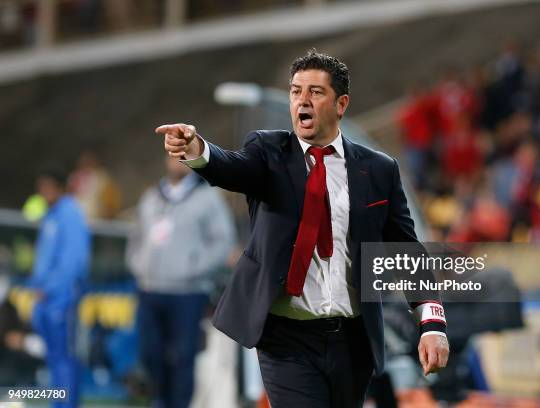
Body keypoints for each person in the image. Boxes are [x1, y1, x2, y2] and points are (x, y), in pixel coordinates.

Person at [155, 50, 449, 407]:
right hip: (286, 339)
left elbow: (406, 250)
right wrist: (196, 149)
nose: (302, 101)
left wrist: (431, 323)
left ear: (341, 104)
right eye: (296, 91)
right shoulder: (267, 151)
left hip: (352, 340)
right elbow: (229, 167)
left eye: (315, 92)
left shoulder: (379, 169)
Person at [126, 156, 236, 408]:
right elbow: (135, 238)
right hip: (150, 289)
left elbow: (223, 242)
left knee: (182, 358)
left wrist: (193, 268)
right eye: (173, 156)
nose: (177, 162)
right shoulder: (151, 197)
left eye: (184, 157)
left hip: (188, 293)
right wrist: (139, 266)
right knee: (150, 355)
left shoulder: (207, 198)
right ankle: (159, 402)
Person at [29, 167, 91, 408]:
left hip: (62, 298)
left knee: (66, 356)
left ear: (58, 187)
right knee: (54, 357)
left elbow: (74, 261)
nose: (43, 192)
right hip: (46, 298)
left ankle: (67, 405)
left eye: (47, 187)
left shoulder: (70, 214)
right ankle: (58, 403)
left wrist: (51, 287)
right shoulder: (51, 215)